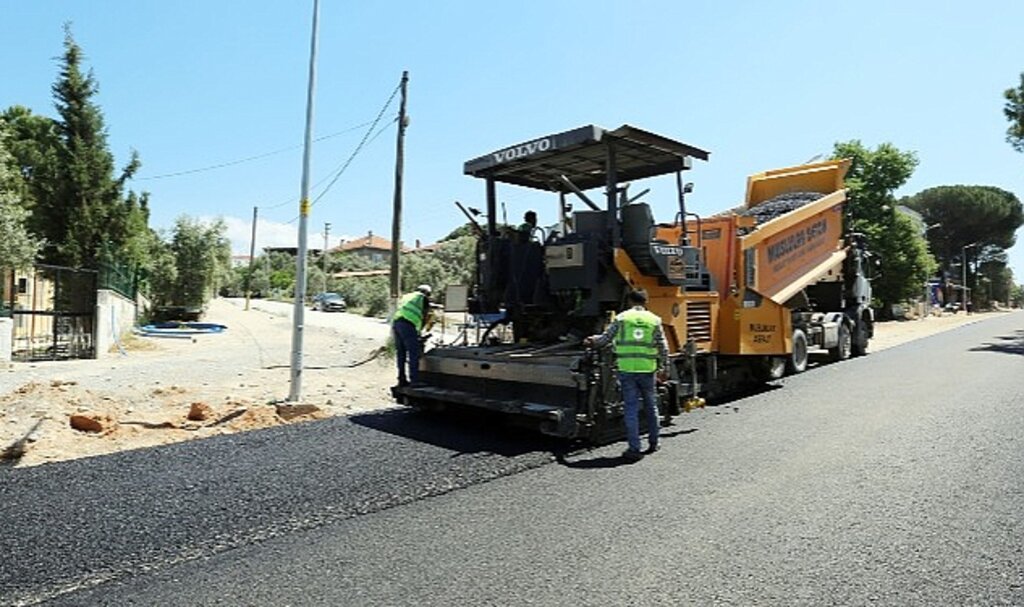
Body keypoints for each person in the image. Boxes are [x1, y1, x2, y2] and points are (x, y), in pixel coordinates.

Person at [584, 288, 669, 460]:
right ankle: (654, 442)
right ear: (646, 302)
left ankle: (634, 448)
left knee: (630, 408)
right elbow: (663, 347)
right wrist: (664, 368)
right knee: (651, 406)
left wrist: (592, 341)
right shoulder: (654, 320)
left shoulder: (622, 318)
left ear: (630, 301)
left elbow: (605, 340)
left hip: (627, 370)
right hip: (647, 370)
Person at [392, 284, 432, 387]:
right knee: (413, 353)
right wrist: (420, 332)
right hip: (408, 325)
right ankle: (414, 381)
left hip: (397, 324)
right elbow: (425, 316)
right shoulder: (423, 298)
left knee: (401, 354)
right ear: (427, 293)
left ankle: (401, 380)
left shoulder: (407, 296)